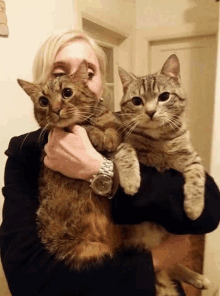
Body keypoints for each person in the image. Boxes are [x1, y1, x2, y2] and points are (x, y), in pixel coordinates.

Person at [0, 30, 219, 296]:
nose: (74, 84)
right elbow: (27, 280)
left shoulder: (131, 123)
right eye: (59, 74)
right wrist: (157, 260)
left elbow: (208, 209)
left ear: (102, 85)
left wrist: (99, 169)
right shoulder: (25, 153)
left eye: (88, 72)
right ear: (42, 87)